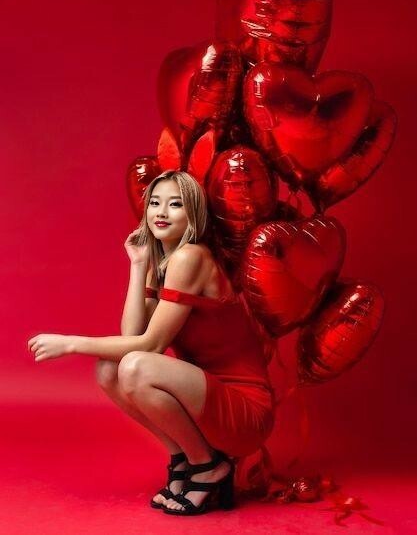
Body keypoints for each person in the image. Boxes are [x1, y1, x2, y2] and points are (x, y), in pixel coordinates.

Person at [28, 170, 275, 515]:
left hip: (244, 410)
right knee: (109, 369)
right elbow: (132, 336)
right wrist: (139, 264)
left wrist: (70, 344)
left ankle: (208, 466)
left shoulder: (191, 257)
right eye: (155, 203)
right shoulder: (163, 262)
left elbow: (150, 345)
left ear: (193, 213)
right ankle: (184, 459)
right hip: (204, 397)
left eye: (175, 204)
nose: (161, 212)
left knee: (136, 366)